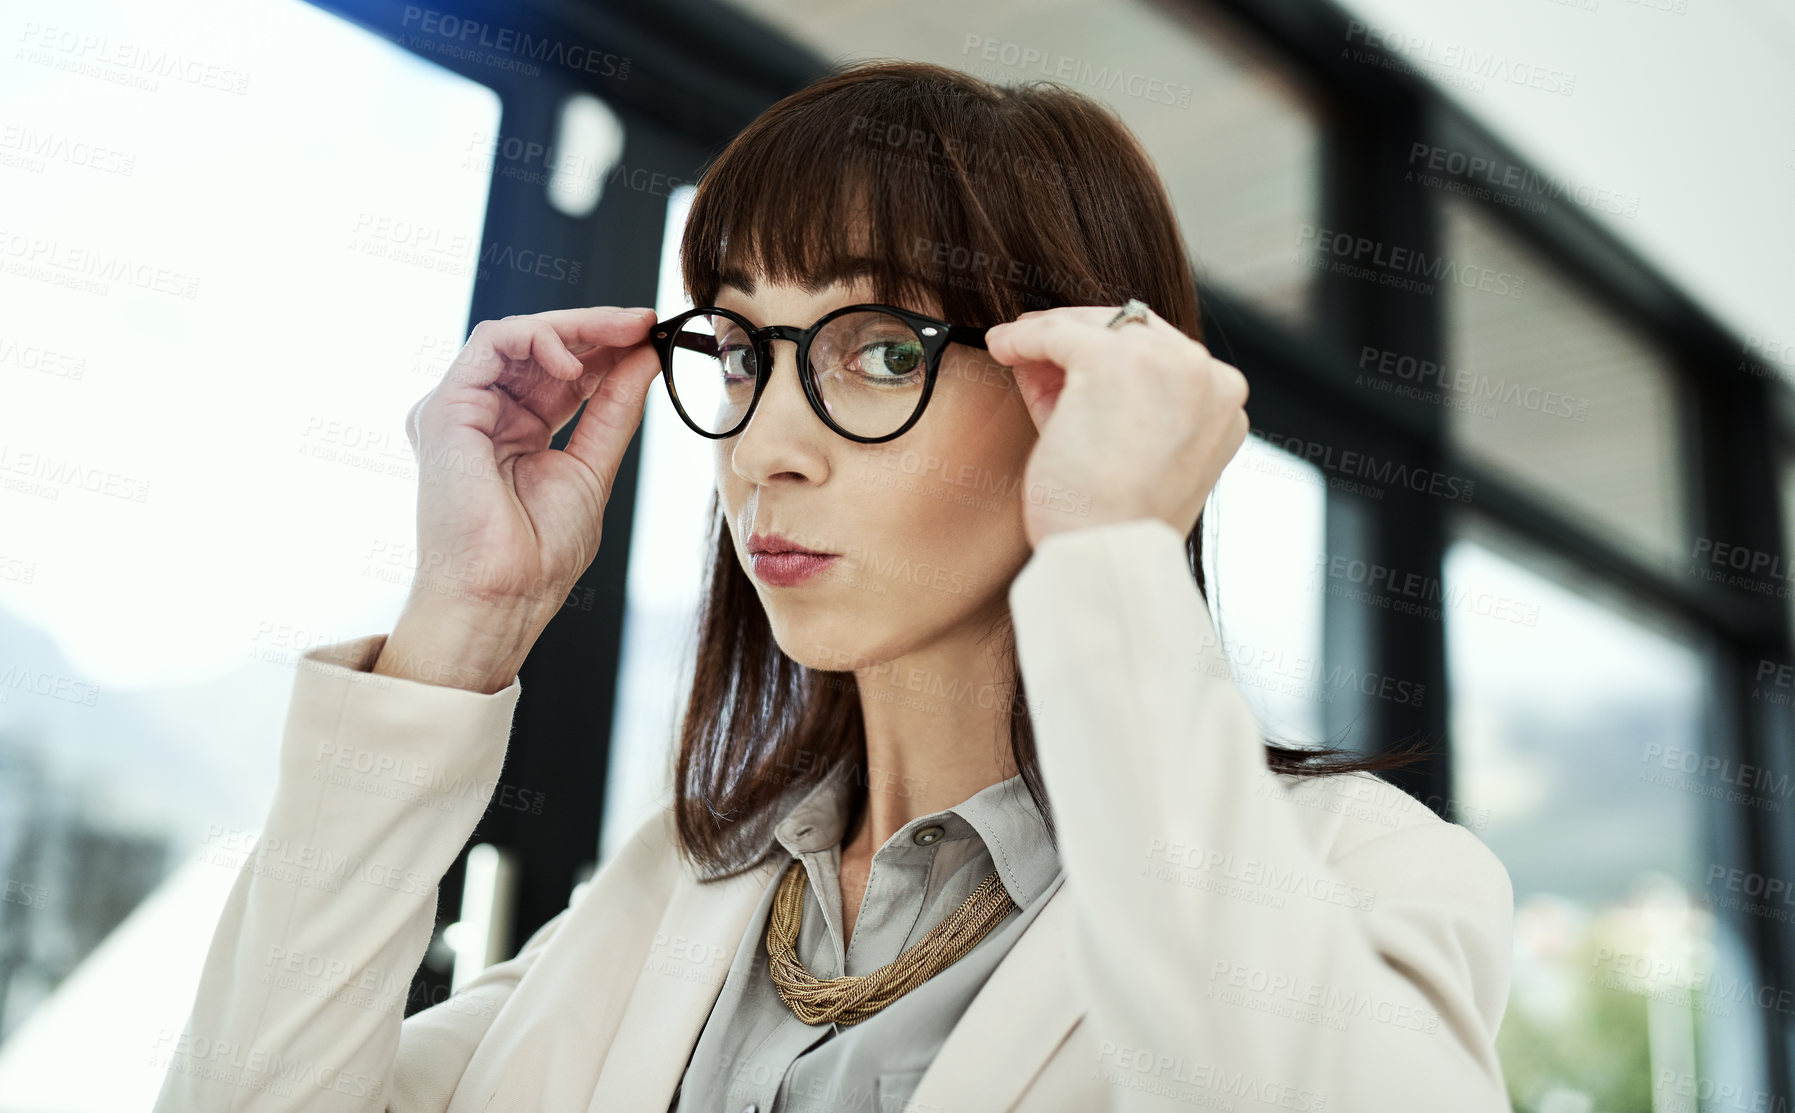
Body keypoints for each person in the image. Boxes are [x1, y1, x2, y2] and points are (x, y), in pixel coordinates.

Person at [152, 59, 1513, 1113]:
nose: (764, 446)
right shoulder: (668, 893)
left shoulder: (1362, 870)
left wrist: (1115, 552)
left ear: (1070, 390)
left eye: (875, 350)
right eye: (741, 349)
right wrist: (460, 627)